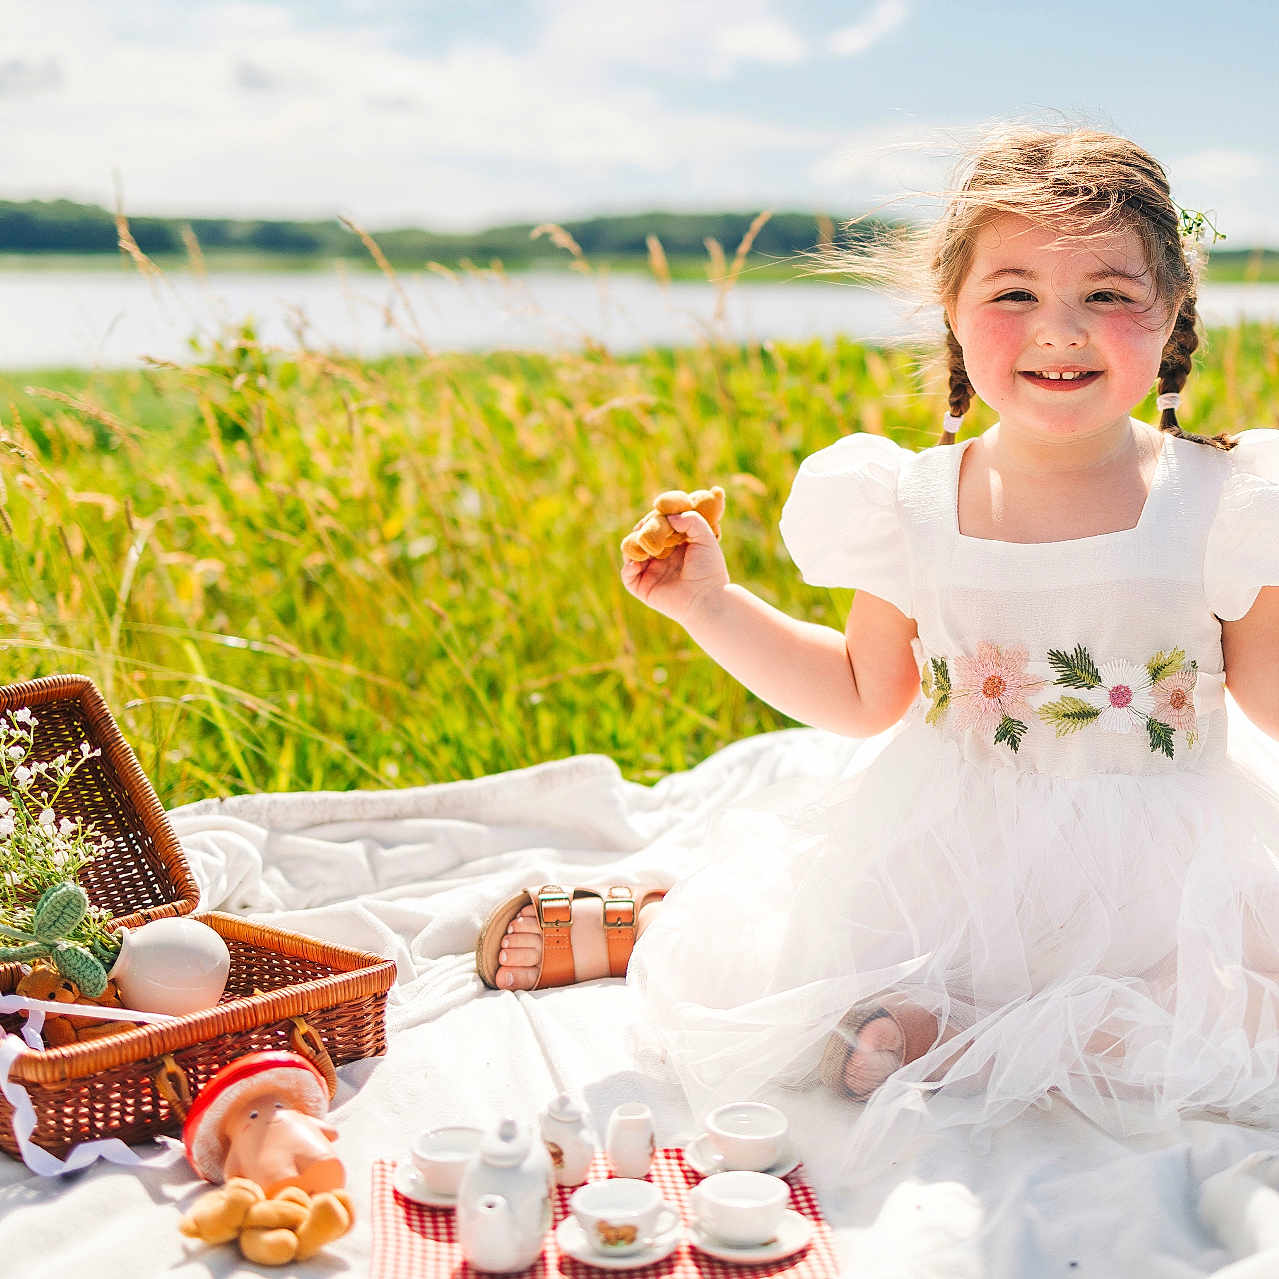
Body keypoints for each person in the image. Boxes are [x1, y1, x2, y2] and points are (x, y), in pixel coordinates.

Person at [475, 124, 1279, 1185]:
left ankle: (935, 1032)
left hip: (1163, 862)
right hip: (953, 850)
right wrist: (712, 607)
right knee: (790, 956)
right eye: (1013, 294)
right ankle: (743, 953)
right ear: (950, 313)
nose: (1059, 330)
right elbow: (862, 695)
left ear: (1171, 310)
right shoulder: (910, 502)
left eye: (1107, 293)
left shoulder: (1220, 500)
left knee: (1194, 1011)